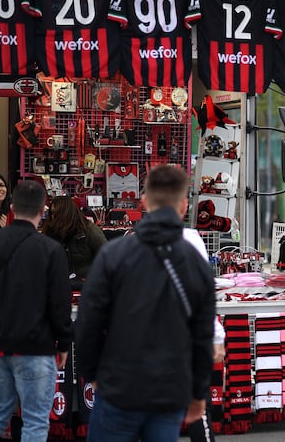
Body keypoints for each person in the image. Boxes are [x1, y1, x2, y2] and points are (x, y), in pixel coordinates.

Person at [75, 165, 216, 442]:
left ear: (144, 202)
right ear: (184, 206)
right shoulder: (195, 262)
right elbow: (202, 335)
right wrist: (199, 392)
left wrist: (92, 373)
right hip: (169, 389)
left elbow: (88, 321)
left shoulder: (114, 255)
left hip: (119, 386)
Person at [0, 180, 73, 442]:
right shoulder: (50, 250)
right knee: (35, 423)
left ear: (13, 207)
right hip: (36, 347)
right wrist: (64, 344)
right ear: (43, 211)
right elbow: (60, 304)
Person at [182, 227, 225, 442]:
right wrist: (216, 336)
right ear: (183, 206)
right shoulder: (190, 239)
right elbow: (204, 292)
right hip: (185, 338)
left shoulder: (127, 245)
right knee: (198, 407)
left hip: (145, 343)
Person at [42, 196, 108, 290]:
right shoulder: (49, 231)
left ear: (66, 213)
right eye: (51, 213)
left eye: (57, 214)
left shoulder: (89, 230)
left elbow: (107, 258)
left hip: (87, 284)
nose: (53, 217)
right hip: (58, 285)